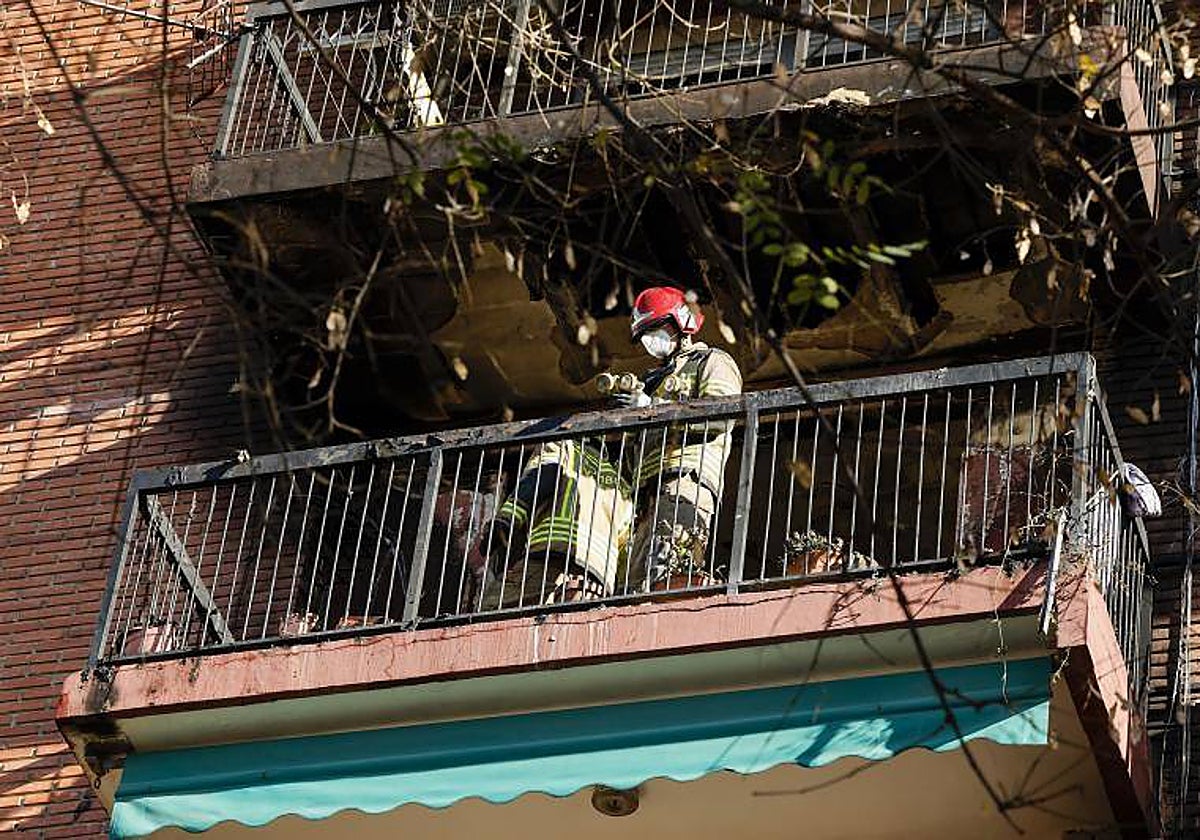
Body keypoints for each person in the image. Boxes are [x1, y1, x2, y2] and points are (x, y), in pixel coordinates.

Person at [616, 287, 743, 591]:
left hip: (686, 484)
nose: (651, 341)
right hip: (646, 497)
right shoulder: (652, 381)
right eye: (646, 335)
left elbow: (721, 416)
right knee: (635, 588)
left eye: (656, 330)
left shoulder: (711, 361)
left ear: (680, 324)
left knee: (665, 577)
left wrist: (653, 409)